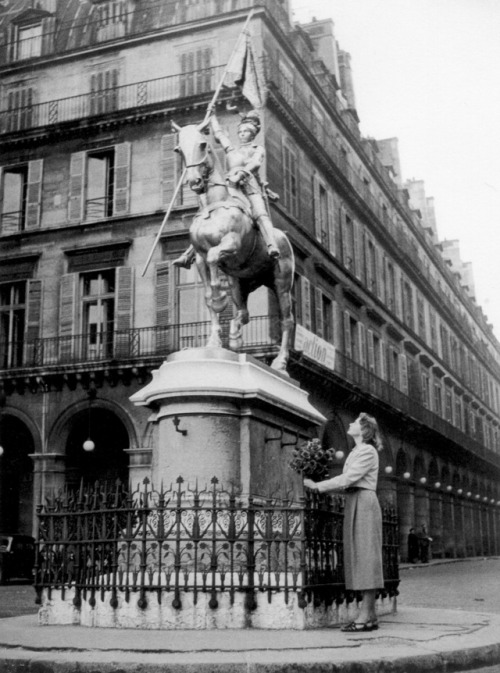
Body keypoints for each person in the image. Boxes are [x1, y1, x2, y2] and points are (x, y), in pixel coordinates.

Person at [303, 413, 384, 632]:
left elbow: (350, 478)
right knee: (359, 555)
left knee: (366, 556)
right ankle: (370, 615)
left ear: (365, 429)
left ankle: (365, 615)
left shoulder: (367, 451)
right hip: (354, 500)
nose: (350, 423)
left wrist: (318, 486)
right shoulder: (357, 451)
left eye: (356, 422)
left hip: (363, 500)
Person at [173, 109, 280, 268]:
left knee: (260, 214)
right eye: (241, 131)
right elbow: (219, 135)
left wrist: (242, 173)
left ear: (253, 134)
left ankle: (272, 245)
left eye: (246, 131)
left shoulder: (257, 149)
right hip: (230, 185)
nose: (243, 134)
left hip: (249, 186)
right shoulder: (232, 150)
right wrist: (212, 116)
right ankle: (190, 253)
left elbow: (256, 163)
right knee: (208, 213)